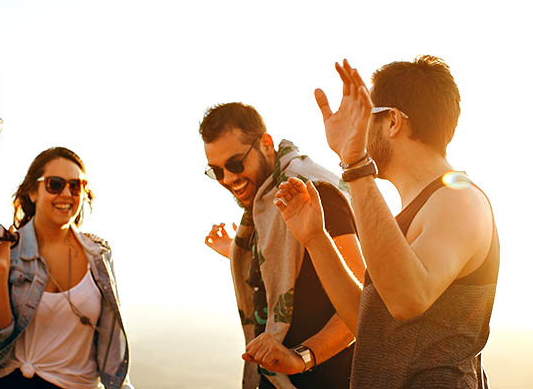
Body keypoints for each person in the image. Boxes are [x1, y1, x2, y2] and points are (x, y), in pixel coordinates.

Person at [246, 56, 499, 388]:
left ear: (393, 121)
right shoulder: (417, 209)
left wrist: (355, 164)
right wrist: (316, 239)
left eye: (365, 118)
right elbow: (373, 325)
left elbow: (407, 300)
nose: (357, 131)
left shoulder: (458, 201)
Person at [200, 102, 365, 389]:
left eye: (236, 164)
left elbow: (363, 303)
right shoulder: (265, 206)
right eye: (216, 171)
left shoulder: (314, 193)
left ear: (265, 144)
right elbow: (289, 264)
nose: (227, 179)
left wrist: (302, 357)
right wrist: (234, 251)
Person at [0, 147, 133, 389]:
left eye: (76, 186)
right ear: (33, 192)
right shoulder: (6, 250)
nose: (67, 194)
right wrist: (0, 270)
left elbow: (111, 340)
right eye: (55, 184)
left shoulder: (99, 255)